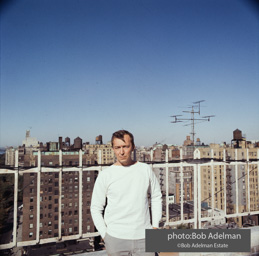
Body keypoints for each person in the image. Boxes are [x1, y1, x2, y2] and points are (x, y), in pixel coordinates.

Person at [90, 130, 162, 256]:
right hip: (115, 239)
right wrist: (105, 235)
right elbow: (95, 208)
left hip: (144, 238)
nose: (121, 152)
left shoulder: (145, 169)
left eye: (125, 147)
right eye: (117, 147)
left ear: (133, 147)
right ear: (113, 148)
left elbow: (156, 196)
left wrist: (155, 226)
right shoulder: (105, 175)